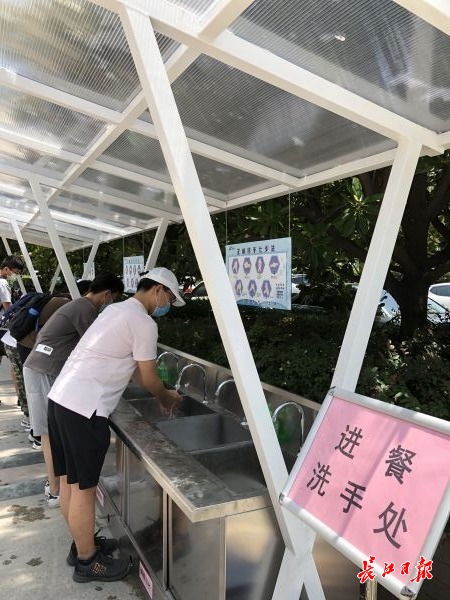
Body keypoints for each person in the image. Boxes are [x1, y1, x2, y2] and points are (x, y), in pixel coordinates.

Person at [47, 267, 184, 583]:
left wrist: (159, 390)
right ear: (159, 290)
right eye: (169, 298)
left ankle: (81, 546)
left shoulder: (116, 310)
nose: (167, 305)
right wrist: (167, 397)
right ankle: (88, 562)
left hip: (61, 399)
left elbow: (135, 369)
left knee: (69, 482)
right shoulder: (143, 323)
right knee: (83, 489)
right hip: (85, 409)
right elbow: (149, 378)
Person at [23, 273, 124, 508]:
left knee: (52, 432)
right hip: (42, 370)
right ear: (107, 294)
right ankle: (54, 489)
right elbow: (101, 348)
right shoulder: (85, 309)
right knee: (48, 432)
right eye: (114, 298)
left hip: (44, 368)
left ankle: (58, 486)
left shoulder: (78, 305)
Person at [0, 255, 25, 404]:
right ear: (6, 269)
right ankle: (21, 399)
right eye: (15, 272)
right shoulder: (3, 283)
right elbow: (8, 308)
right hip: (3, 330)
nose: (15, 275)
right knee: (15, 364)